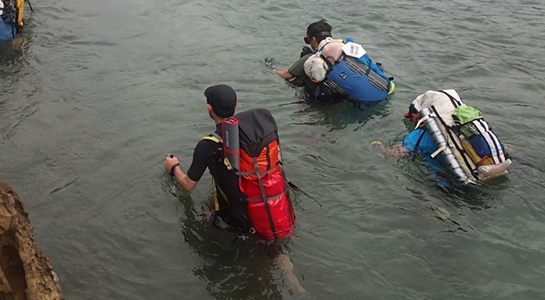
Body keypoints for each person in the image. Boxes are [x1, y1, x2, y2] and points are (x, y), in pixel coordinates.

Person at [164, 84, 295, 239]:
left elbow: (188, 185)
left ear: (209, 108)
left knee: (205, 214)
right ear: (236, 105)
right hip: (265, 204)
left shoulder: (207, 145)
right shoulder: (255, 132)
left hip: (235, 217)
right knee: (274, 253)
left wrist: (174, 168)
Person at [373, 89, 511, 182]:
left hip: (451, 183)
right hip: (495, 164)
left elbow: (398, 154)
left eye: (411, 117)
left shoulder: (417, 136)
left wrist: (379, 148)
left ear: (416, 115)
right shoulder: (462, 125)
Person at [269, 19, 393, 106]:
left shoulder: (311, 60)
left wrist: (270, 68)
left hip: (363, 101)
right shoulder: (348, 46)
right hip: (385, 88)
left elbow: (284, 75)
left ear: (312, 39)